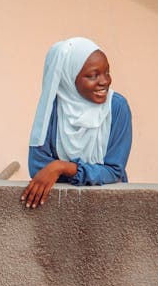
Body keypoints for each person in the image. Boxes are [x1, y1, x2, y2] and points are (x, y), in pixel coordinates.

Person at [21, 37, 132, 208]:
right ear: (69, 78)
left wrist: (62, 167)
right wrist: (92, 173)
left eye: (107, 72)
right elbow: (38, 167)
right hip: (59, 209)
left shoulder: (117, 107)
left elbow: (114, 171)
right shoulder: (53, 108)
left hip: (109, 207)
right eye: (93, 75)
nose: (104, 81)